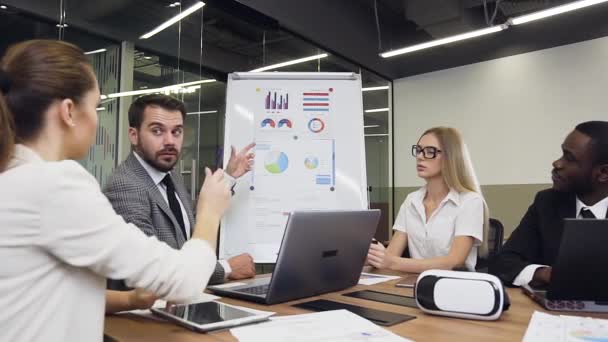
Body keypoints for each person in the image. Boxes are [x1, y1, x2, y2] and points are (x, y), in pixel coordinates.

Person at [0, 39, 230, 341]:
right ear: (69, 111)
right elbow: (184, 282)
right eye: (96, 106)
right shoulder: (55, 185)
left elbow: (44, 287)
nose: (97, 120)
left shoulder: (15, 177)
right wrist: (210, 211)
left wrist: (131, 300)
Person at [103, 94, 255, 289]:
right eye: (157, 131)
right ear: (134, 135)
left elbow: (189, 221)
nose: (170, 141)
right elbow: (153, 270)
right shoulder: (125, 186)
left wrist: (229, 176)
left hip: (180, 303)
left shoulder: (169, 173)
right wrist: (226, 268)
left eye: (176, 132)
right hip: (146, 313)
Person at [490, 121, 608, 287]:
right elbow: (503, 262)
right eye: (562, 154)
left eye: (569, 158)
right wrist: (546, 274)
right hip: (553, 310)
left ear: (603, 173)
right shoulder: (547, 202)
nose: (557, 163)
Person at [366, 127, 489, 273]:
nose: (420, 156)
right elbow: (391, 255)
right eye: (418, 150)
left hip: (456, 286)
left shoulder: (470, 201)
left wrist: (391, 262)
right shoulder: (411, 201)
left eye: (430, 152)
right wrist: (376, 254)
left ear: (451, 157)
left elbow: (454, 262)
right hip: (415, 283)